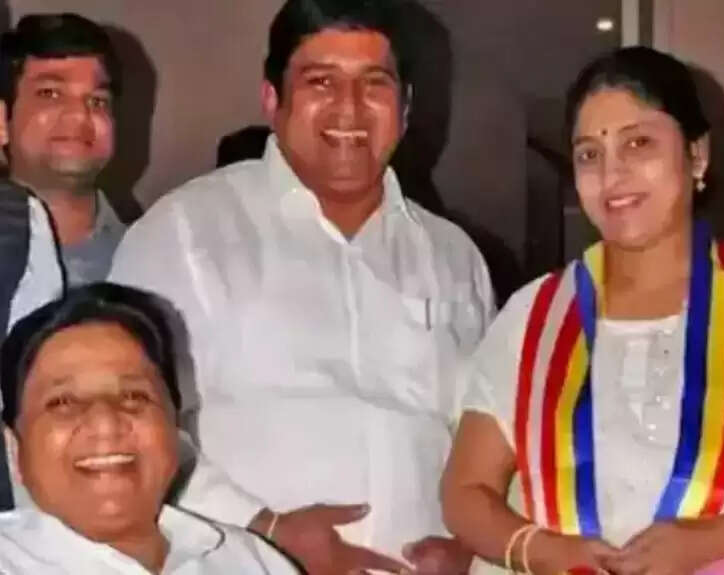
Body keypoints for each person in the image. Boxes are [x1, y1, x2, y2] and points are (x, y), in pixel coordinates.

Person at [441, 47, 724, 574]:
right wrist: (545, 551)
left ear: (697, 154)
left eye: (638, 143)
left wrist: (712, 541)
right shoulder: (536, 316)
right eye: (589, 154)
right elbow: (465, 489)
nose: (612, 174)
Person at [110, 0, 494, 573]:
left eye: (375, 83)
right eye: (321, 81)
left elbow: (487, 435)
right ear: (272, 99)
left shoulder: (454, 256)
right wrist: (265, 530)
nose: (350, 107)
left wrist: (472, 545)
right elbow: (126, 422)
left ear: (405, 105)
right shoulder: (186, 232)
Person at [0, 283, 299, 573]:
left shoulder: (252, 560)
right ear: (14, 446)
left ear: (175, 426)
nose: (105, 423)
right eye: (63, 402)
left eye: (134, 396)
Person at [0, 13, 126, 287]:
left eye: (97, 101)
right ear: (2, 122)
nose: (79, 115)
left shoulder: (160, 255)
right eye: (50, 94)